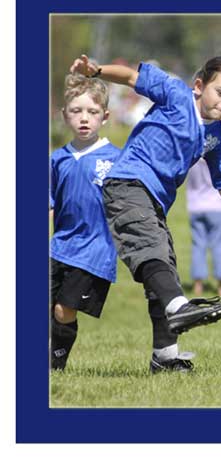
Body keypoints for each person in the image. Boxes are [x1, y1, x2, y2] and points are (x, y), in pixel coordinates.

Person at [69, 52, 221, 374]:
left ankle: (165, 358)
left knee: (164, 270)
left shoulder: (216, 137)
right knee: (152, 252)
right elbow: (131, 77)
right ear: (199, 86)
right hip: (127, 183)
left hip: (154, 203)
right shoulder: (175, 93)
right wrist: (96, 70)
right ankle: (180, 308)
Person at [50, 74, 120, 371]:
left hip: (95, 251)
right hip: (59, 247)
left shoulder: (116, 159)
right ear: (64, 114)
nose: (84, 118)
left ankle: (55, 367)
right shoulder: (57, 160)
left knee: (63, 310)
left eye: (92, 112)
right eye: (76, 111)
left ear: (105, 116)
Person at [185, 159, 221, 297]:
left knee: (197, 245)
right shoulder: (215, 152)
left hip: (195, 206)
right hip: (216, 205)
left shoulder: (191, 153)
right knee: (220, 245)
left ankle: (198, 285)